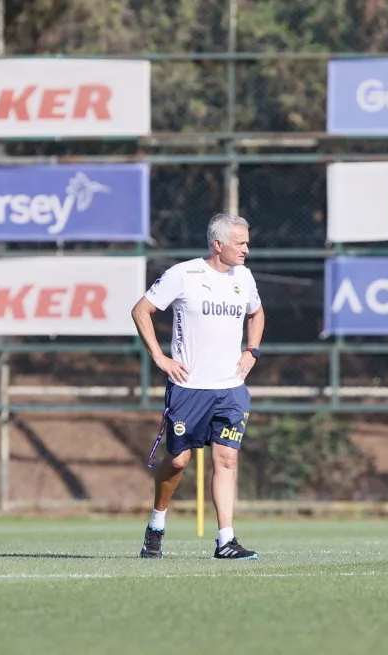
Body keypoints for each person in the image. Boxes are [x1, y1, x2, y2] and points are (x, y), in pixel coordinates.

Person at [131, 212, 265, 560]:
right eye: (240, 243)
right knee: (178, 462)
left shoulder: (244, 277)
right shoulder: (184, 274)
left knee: (227, 459)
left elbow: (257, 313)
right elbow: (141, 310)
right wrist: (159, 357)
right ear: (218, 244)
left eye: (247, 243)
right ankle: (156, 524)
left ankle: (226, 540)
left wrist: (251, 350)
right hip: (189, 388)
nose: (246, 249)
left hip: (230, 389)